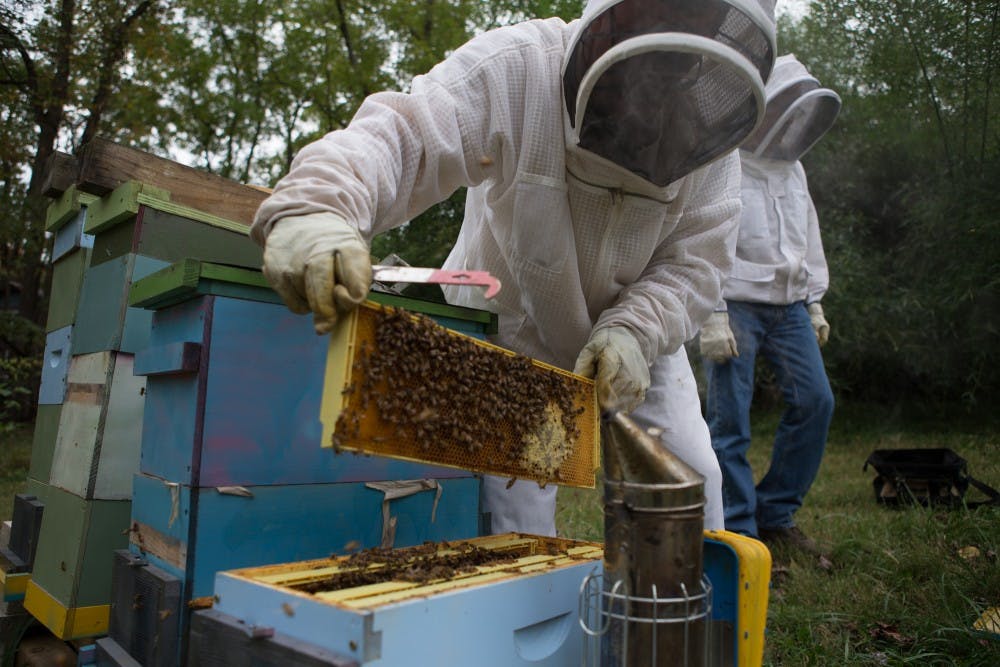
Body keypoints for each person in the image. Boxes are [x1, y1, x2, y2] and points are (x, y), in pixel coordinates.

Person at [252, 0, 777, 536]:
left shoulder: (708, 140)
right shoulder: (520, 67)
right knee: (513, 522)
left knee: (690, 484)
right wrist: (320, 205)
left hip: (639, 338)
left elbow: (693, 264)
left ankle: (686, 619)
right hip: (512, 325)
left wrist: (635, 330)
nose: (649, 93)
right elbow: (406, 134)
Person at [699, 53, 840, 555]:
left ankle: (776, 513)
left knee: (816, 402)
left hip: (790, 307)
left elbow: (809, 236)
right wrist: (710, 313)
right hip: (733, 307)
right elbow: (705, 238)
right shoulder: (723, 161)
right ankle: (740, 532)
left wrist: (815, 300)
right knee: (729, 422)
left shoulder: (793, 170)